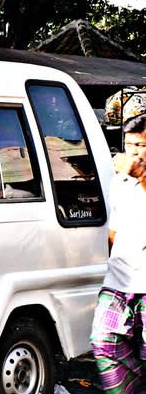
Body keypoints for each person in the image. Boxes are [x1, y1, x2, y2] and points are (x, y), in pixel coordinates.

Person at [90, 114, 146, 394]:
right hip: (119, 281)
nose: (133, 152)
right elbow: (114, 230)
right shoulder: (119, 182)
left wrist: (141, 175)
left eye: (141, 145)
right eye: (129, 145)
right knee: (103, 341)